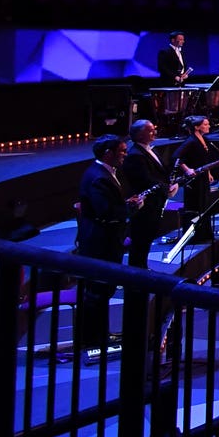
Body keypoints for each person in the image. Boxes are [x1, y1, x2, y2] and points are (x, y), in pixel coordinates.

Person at [76, 135, 137, 348]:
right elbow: (106, 211)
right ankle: (94, 339)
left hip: (104, 240)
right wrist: (130, 208)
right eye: (122, 151)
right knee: (98, 292)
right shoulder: (99, 177)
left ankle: (101, 335)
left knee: (103, 292)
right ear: (108, 153)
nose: (125, 155)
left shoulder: (104, 172)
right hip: (100, 243)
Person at [121, 119, 175, 268]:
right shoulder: (135, 155)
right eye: (150, 130)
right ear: (139, 135)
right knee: (141, 240)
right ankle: (137, 270)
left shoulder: (150, 149)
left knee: (147, 238)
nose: (154, 133)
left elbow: (161, 173)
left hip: (155, 202)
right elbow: (145, 180)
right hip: (144, 205)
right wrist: (165, 188)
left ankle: (142, 267)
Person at [172, 115, 219, 240]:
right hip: (194, 181)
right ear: (197, 127)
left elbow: (203, 160)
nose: (209, 126)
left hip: (202, 177)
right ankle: (195, 236)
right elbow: (176, 157)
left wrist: (208, 172)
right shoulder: (191, 141)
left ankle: (205, 234)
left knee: (204, 205)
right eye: (205, 124)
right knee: (196, 206)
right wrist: (187, 170)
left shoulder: (203, 139)